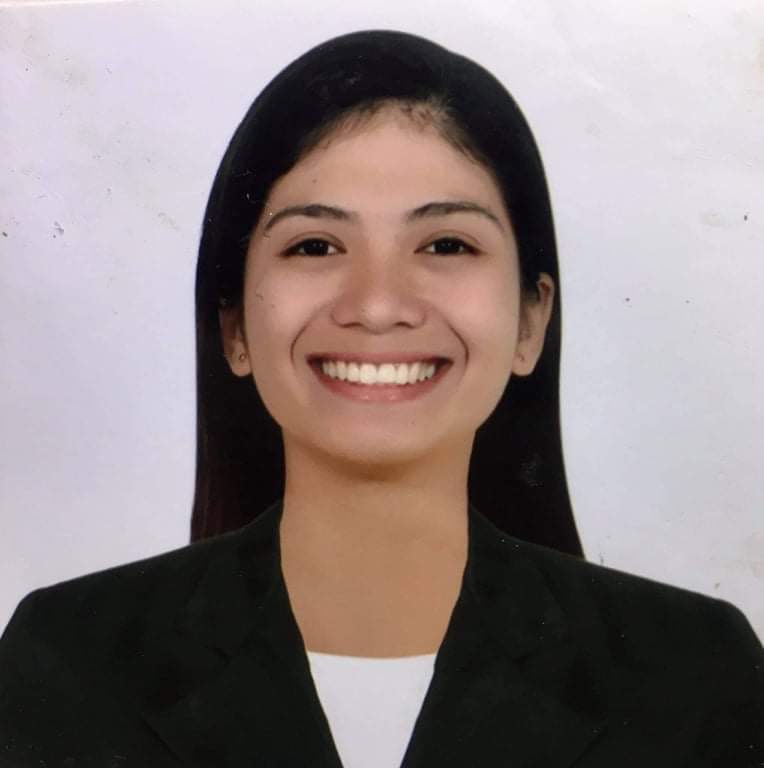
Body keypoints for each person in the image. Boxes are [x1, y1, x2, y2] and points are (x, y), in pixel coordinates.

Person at [0, 29, 761, 768]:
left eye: (446, 245)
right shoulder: (66, 659)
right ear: (233, 327)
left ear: (531, 322)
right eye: (315, 246)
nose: (376, 305)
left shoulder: (697, 675)